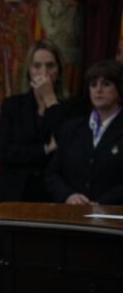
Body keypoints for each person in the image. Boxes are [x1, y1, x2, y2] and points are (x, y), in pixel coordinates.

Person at [0, 39, 82, 202]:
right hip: (16, 192)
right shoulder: (13, 105)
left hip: (54, 194)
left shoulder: (73, 107)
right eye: (37, 66)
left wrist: (50, 98)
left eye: (50, 66)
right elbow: (4, 152)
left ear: (59, 71)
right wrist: (44, 150)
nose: (44, 72)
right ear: (29, 71)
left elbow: (69, 149)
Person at [45, 60, 123, 205]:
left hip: (113, 218)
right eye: (93, 85)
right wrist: (68, 195)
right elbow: (52, 174)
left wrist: (101, 204)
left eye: (106, 84)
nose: (98, 90)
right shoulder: (71, 128)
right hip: (73, 215)